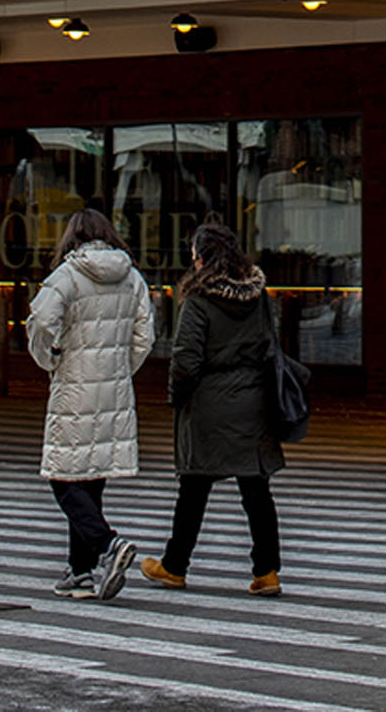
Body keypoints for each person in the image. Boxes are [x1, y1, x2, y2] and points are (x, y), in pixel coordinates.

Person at [140, 219, 285, 596]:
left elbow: (185, 359)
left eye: (194, 257)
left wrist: (177, 395)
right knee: (256, 491)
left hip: (209, 402)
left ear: (203, 259)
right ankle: (267, 571)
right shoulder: (259, 296)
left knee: (193, 487)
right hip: (253, 401)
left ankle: (175, 565)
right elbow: (272, 343)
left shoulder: (199, 300)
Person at [26, 206, 154, 601]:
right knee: (91, 477)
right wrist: (120, 368)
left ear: (71, 237)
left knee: (62, 477)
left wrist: (49, 360)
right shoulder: (132, 278)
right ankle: (79, 572)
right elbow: (145, 335)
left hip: (74, 384)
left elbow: (42, 321)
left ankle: (107, 545)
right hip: (114, 388)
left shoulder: (67, 275)